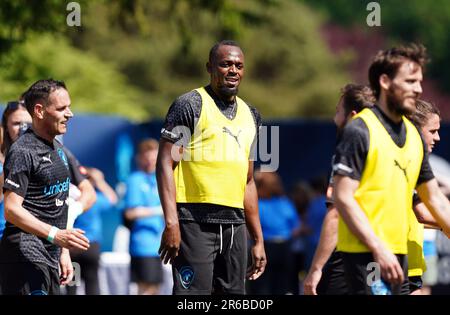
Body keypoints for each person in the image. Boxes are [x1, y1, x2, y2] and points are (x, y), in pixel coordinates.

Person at [333, 43, 450, 295]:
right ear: (385, 81)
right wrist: (378, 247)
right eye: (410, 81)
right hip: (366, 254)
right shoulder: (360, 130)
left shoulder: (412, 136)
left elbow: (435, 199)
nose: (418, 89)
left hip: (399, 254)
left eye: (419, 81)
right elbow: (342, 197)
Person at [157, 40, 266, 295]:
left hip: (235, 226)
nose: (233, 70)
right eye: (225, 64)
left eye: (238, 65)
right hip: (194, 222)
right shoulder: (190, 105)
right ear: (209, 67)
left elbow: (249, 181)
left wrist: (258, 239)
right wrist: (172, 222)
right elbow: (164, 162)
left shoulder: (253, 115)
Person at [0, 79, 90, 295]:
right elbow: (11, 209)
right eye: (61, 108)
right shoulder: (23, 151)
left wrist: (62, 251)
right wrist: (55, 235)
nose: (70, 114)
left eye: (69, 106)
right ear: (39, 111)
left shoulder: (57, 148)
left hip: (48, 256)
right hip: (25, 255)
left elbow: (57, 206)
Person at [303, 84, 375, 295]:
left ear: (352, 116)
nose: (334, 118)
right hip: (384, 256)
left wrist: (315, 270)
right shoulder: (386, 150)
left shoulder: (348, 153)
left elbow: (336, 215)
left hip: (348, 258)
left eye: (337, 111)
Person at [407, 99, 442, 294]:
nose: (437, 138)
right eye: (432, 131)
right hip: (393, 261)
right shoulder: (406, 162)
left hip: (411, 261)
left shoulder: (418, 161)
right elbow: (422, 213)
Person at [67, 167, 118, 295]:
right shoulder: (94, 200)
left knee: (72, 283)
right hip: (90, 246)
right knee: (92, 283)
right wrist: (100, 181)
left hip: (73, 245)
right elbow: (113, 199)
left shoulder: (70, 199)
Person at [123, 139, 165, 295]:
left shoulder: (160, 179)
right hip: (142, 245)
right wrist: (158, 210)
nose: (151, 163)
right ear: (140, 158)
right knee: (146, 289)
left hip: (157, 246)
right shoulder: (135, 180)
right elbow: (130, 212)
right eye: (147, 159)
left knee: (155, 288)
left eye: (154, 159)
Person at [248, 171, 300, 295]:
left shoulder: (281, 202)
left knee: (274, 285)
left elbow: (296, 227)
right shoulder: (282, 203)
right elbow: (296, 227)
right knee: (266, 285)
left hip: (276, 247)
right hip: (269, 246)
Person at [0, 100, 33, 239]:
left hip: (33, 240)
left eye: (27, 124)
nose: (22, 128)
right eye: (16, 123)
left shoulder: (48, 155)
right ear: (5, 127)